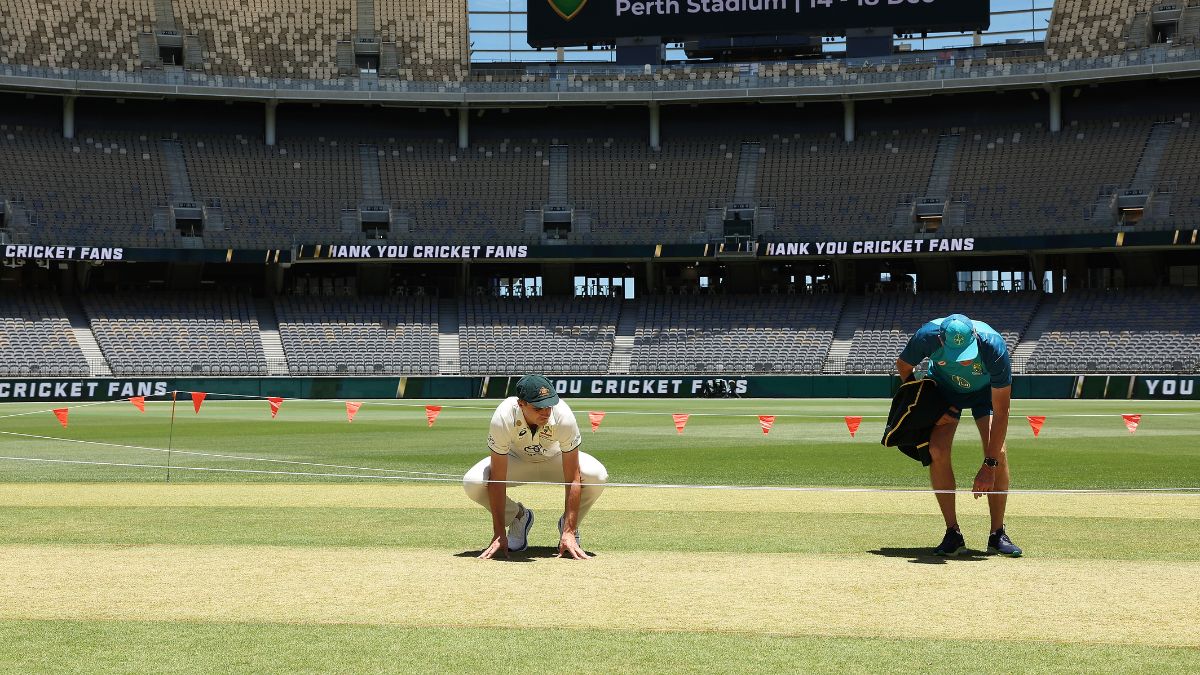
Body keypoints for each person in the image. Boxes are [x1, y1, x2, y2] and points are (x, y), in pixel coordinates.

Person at [896, 313, 1023, 558]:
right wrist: (923, 404)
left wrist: (989, 465)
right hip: (944, 391)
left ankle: (997, 533)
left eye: (966, 355)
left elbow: (1002, 410)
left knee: (999, 453)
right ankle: (952, 532)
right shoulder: (926, 336)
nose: (963, 363)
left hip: (985, 393)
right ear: (941, 341)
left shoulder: (993, 345)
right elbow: (904, 366)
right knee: (937, 451)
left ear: (974, 338)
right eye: (957, 357)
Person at [464, 374, 608, 560]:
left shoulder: (563, 414)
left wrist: (570, 530)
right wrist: (499, 532)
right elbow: (497, 478)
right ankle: (519, 516)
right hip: (516, 461)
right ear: (521, 404)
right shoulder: (503, 416)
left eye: (549, 405)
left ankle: (568, 526)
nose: (546, 412)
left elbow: (573, 477)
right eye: (538, 407)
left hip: (555, 459)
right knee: (472, 482)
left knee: (597, 475)